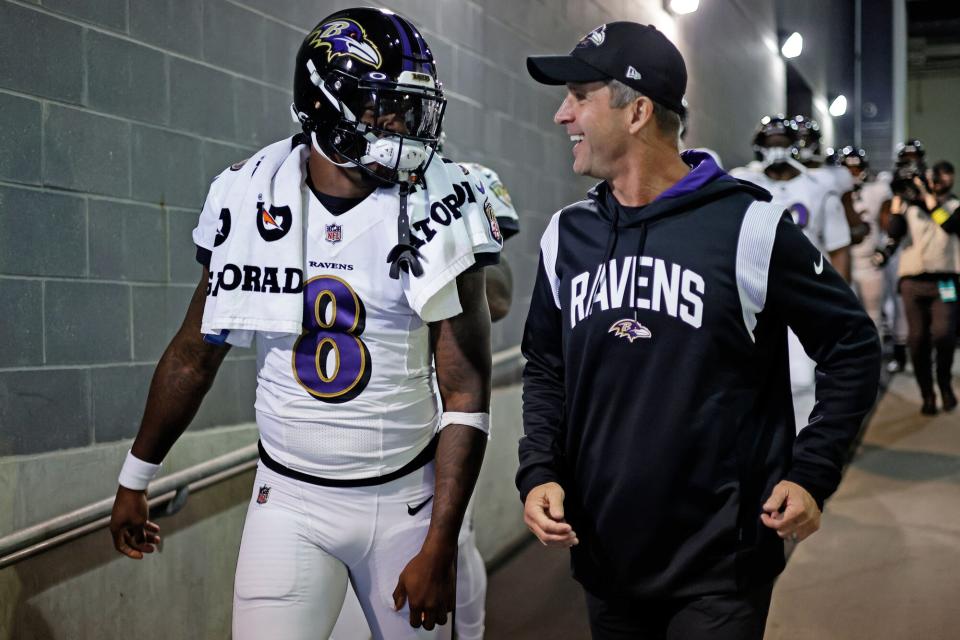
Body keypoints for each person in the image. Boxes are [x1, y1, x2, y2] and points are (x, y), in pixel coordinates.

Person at [108, 8, 503, 639]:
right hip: (288, 500)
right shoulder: (249, 193)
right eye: (383, 108)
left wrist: (442, 541)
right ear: (323, 105)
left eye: (410, 108)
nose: (402, 125)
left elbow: (464, 390)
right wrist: (136, 476)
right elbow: (194, 354)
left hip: (405, 498)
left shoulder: (443, 199)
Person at [517, 21, 880, 640]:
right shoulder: (566, 235)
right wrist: (540, 470)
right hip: (606, 555)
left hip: (721, 564)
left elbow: (852, 347)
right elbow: (547, 368)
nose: (562, 115)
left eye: (579, 96)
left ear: (636, 112)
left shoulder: (749, 227)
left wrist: (811, 471)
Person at [330, 153, 521, 640]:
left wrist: (448, 265)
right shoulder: (345, 189)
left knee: (456, 536)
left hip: (446, 408)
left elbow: (498, 294)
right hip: (373, 408)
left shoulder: (464, 181)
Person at [732, 115, 853, 431]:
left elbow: (838, 246)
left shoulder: (819, 186)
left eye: (783, 144)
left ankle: (801, 444)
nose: (777, 151)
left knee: (802, 377)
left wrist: (838, 299)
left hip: (804, 291)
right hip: (752, 291)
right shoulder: (744, 183)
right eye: (771, 144)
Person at [887, 144, 960, 414]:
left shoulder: (953, 206)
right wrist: (898, 203)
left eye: (946, 176)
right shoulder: (909, 207)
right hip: (913, 282)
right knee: (916, 340)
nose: (940, 181)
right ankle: (927, 393)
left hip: (945, 281)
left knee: (944, 335)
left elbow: (948, 225)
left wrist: (929, 197)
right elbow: (893, 232)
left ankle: (944, 383)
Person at [838, 146, 893, 330]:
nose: (852, 173)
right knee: (843, 318)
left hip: (868, 262)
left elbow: (889, 226)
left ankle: (874, 359)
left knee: (873, 316)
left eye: (856, 169)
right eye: (847, 169)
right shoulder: (831, 192)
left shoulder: (877, 190)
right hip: (842, 262)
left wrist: (885, 248)